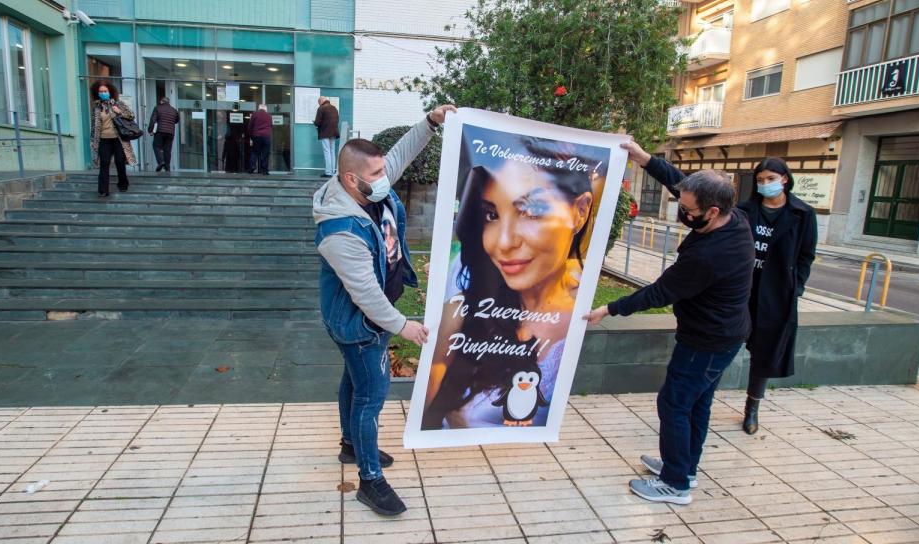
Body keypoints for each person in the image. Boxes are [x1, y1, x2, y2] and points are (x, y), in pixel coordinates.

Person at [584, 140, 754, 506]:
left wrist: (610, 309)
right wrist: (645, 159)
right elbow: (679, 181)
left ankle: (676, 484)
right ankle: (683, 466)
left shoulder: (710, 256)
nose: (682, 212)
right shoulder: (733, 217)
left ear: (710, 211)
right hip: (722, 334)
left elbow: (660, 292)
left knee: (675, 403)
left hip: (706, 341)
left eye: (688, 209)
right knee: (697, 403)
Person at [313, 104, 456, 516]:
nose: (384, 178)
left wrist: (431, 122)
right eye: (376, 175)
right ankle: (370, 481)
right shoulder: (340, 231)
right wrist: (402, 327)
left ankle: (350, 446)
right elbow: (366, 296)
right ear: (350, 179)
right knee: (371, 397)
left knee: (353, 382)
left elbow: (398, 155)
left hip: (366, 314)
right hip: (360, 322)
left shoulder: (364, 184)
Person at [422, 149, 606, 430]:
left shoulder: (581, 309)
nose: (504, 242)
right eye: (491, 214)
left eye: (530, 211)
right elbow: (429, 416)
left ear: (580, 211)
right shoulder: (463, 310)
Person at [737, 157, 817, 434]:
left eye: (770, 178)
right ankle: (703, 400)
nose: (765, 184)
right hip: (742, 289)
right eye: (760, 180)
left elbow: (806, 255)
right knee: (723, 343)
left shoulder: (803, 214)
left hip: (776, 294)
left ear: (784, 178)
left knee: (764, 352)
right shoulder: (745, 210)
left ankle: (752, 409)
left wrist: (798, 286)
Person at [89, 80, 136, 198]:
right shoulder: (96, 107)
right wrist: (93, 141)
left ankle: (123, 183)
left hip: (118, 138)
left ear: (110, 91)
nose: (103, 93)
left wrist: (119, 112)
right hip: (104, 139)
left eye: (105, 91)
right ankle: (103, 190)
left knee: (120, 161)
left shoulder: (118, 103)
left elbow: (131, 115)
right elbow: (94, 126)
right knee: (104, 163)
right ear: (97, 93)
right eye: (101, 91)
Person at [147, 97, 179, 172]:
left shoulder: (157, 108)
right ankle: (167, 168)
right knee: (167, 150)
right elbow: (177, 120)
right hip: (170, 132)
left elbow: (152, 120)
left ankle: (161, 162)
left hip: (160, 132)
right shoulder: (174, 110)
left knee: (156, 146)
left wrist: (150, 130)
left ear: (161, 101)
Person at [313, 96, 340, 177]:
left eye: (319, 103)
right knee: (332, 151)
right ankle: (332, 171)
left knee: (327, 151)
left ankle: (328, 172)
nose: (319, 104)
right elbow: (337, 120)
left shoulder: (321, 108)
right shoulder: (334, 108)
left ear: (321, 102)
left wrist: (314, 123)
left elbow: (317, 122)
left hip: (325, 132)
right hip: (334, 132)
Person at [248, 104, 272, 175]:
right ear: (265, 109)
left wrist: (251, 136)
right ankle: (264, 170)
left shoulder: (254, 115)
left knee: (255, 152)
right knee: (265, 153)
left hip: (257, 136)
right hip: (266, 136)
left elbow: (250, 126)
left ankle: (252, 167)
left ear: (259, 108)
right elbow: (271, 126)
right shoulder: (269, 116)